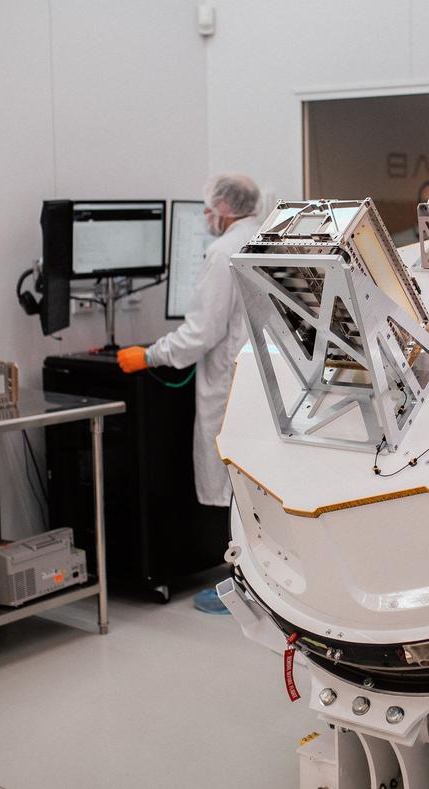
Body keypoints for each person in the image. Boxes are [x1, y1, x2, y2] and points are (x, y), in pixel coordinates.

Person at [116, 173, 263, 614]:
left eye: (208, 208)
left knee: (233, 486)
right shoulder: (262, 238)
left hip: (229, 384)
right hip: (259, 382)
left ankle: (241, 589)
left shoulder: (223, 252)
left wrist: (150, 355)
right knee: (253, 486)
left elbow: (201, 332)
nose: (206, 216)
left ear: (224, 208)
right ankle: (260, 586)